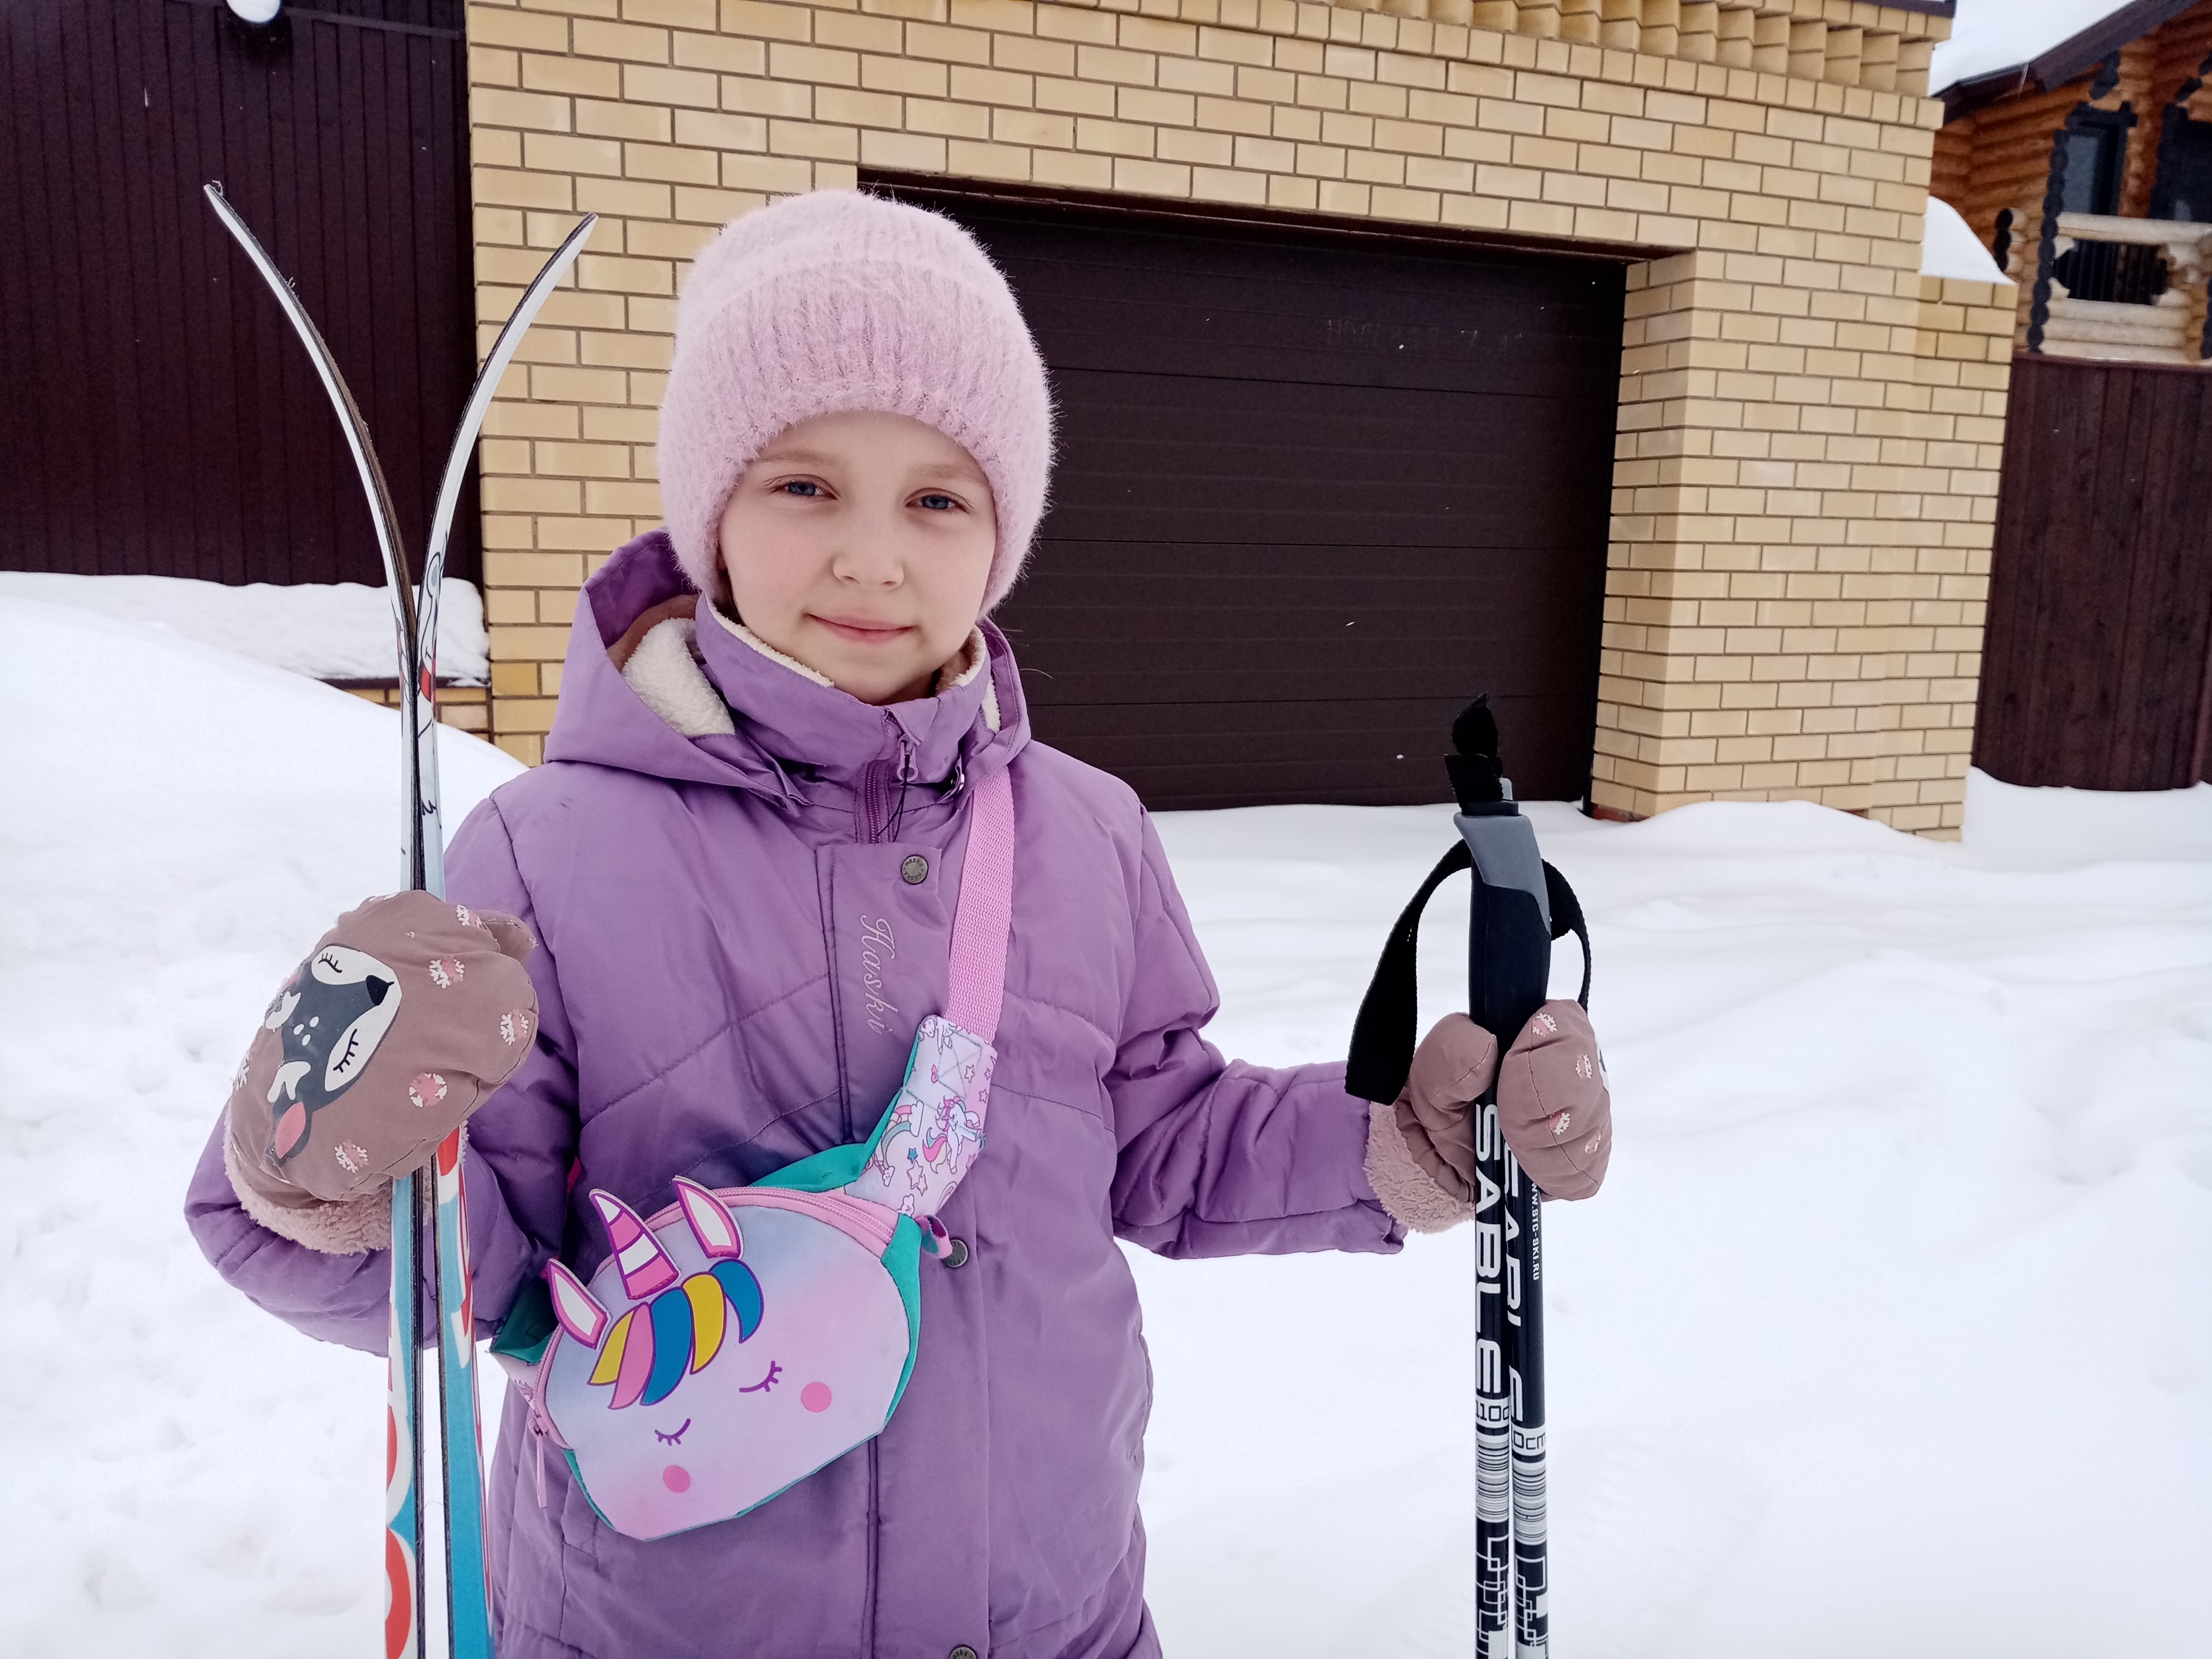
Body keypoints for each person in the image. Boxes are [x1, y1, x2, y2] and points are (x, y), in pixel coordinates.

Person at [185, 190, 1612, 1659]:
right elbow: (472, 1277)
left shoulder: (1089, 835)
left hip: (1045, 1616)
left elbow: (1165, 1141)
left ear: (1003, 532)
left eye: (938, 497)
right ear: (711, 517)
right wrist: (325, 1169)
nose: (874, 556)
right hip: (660, 1624)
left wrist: (1413, 1142)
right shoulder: (547, 855)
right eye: (805, 486)